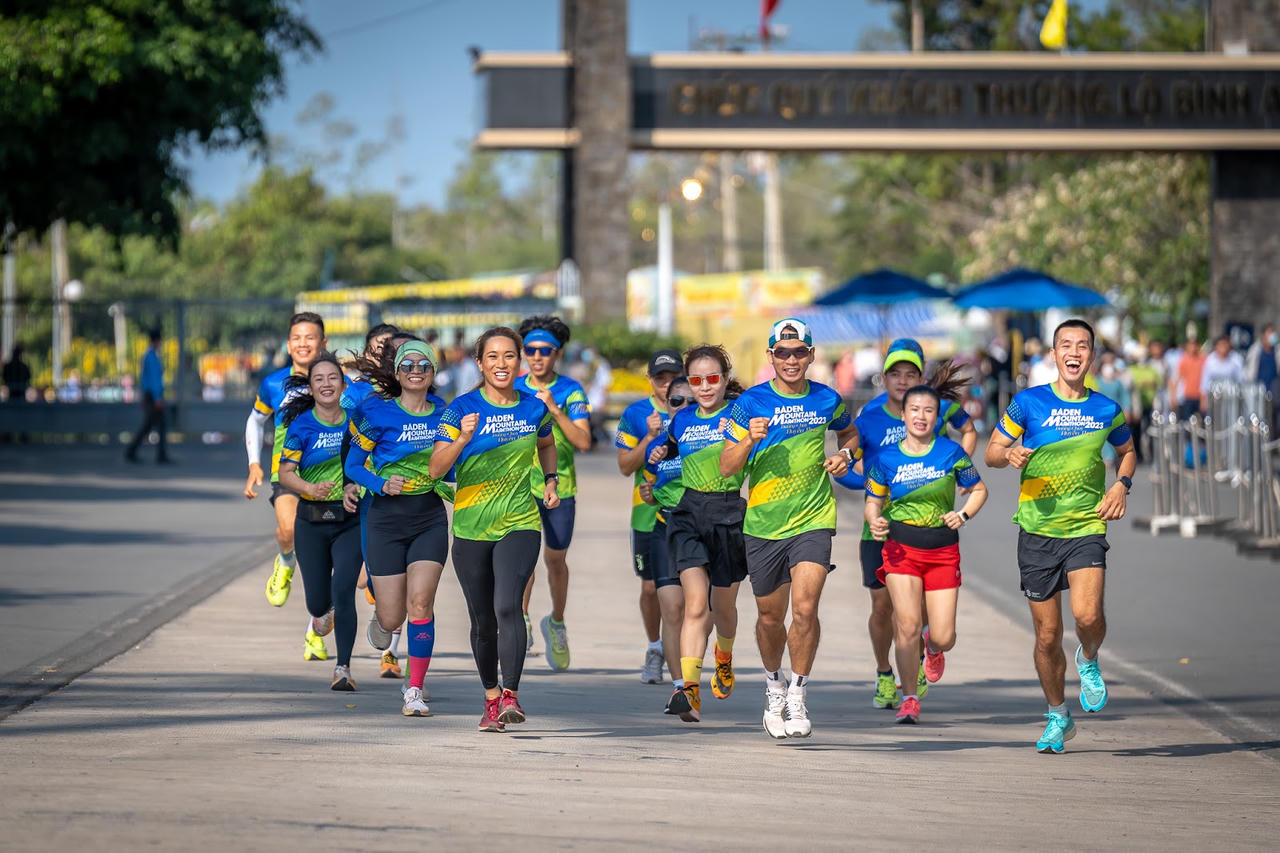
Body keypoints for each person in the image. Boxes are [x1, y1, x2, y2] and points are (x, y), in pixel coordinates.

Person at [984, 318, 1137, 754]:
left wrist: (1120, 485)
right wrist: (1008, 452)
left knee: (1087, 617)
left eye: (1083, 346)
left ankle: (1088, 659)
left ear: (1092, 355)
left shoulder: (1107, 409)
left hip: (1086, 525)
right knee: (1047, 637)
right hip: (1036, 530)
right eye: (1065, 345)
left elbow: (1127, 452)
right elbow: (993, 452)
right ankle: (1057, 715)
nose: (1074, 352)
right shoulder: (1028, 404)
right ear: (1053, 355)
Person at [720, 319, 860, 739]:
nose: (792, 359)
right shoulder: (748, 404)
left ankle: (798, 694)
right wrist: (748, 441)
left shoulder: (827, 399)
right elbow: (728, 468)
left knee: (805, 609)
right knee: (769, 618)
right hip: (763, 523)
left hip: (813, 518)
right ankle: (773, 684)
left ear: (812, 355)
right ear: (771, 358)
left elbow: (849, 433)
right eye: (783, 353)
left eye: (800, 351)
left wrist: (846, 456)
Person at [833, 338, 976, 711]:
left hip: (929, 531)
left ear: (921, 374)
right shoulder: (870, 416)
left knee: (920, 613)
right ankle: (885, 674)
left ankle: (925, 647)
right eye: (894, 373)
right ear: (883, 377)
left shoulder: (938, 408)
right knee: (883, 609)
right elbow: (850, 464)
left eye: (909, 373)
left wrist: (958, 474)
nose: (901, 379)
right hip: (879, 530)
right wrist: (871, 490)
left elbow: (969, 432)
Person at [430, 327, 558, 733]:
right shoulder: (459, 409)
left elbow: (546, 443)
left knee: (508, 606)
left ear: (518, 362)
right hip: (470, 528)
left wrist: (550, 480)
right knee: (483, 619)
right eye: (493, 357)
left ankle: (511, 696)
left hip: (519, 521)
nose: (502, 364)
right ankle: (489, 697)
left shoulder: (533, 407)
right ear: (480, 363)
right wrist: (464, 437)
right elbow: (436, 468)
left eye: (509, 357)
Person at [864, 374, 987, 724]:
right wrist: (874, 520)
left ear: (937, 417)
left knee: (944, 635)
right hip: (901, 549)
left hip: (942, 550)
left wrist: (962, 514)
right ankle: (910, 698)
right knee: (906, 624)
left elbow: (979, 490)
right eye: (914, 409)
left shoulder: (951, 453)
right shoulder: (885, 460)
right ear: (902, 415)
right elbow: (873, 503)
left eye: (929, 410)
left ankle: (933, 648)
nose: (921, 415)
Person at [343, 339, 452, 716]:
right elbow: (353, 466)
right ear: (397, 373)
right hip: (385, 519)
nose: (416, 371)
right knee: (393, 618)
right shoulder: (377, 414)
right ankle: (382, 615)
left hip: (428, 516)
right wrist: (379, 484)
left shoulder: (445, 413)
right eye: (408, 366)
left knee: (421, 603)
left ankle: (416, 689)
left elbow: (452, 463)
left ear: (433, 372)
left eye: (424, 365)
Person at [651, 345, 748, 724]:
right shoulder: (682, 420)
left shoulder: (740, 415)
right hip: (688, 513)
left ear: (724, 379)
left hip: (728, 514)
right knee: (695, 605)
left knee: (723, 609)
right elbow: (670, 447)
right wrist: (659, 453)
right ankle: (688, 690)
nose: (704, 387)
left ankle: (723, 654)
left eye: (712, 379)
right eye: (696, 380)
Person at [276, 353, 361, 691]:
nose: (326, 384)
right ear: (310, 388)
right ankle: (320, 613)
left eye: (332, 378)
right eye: (319, 379)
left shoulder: (357, 421)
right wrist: (310, 488)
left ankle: (343, 668)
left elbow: (373, 460)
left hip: (349, 520)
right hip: (310, 521)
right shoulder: (301, 426)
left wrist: (356, 484)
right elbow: (285, 473)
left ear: (342, 384)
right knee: (317, 604)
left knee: (343, 591)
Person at [244, 313, 328, 647]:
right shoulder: (274, 384)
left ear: (323, 343)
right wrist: (254, 465)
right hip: (287, 475)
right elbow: (255, 421)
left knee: (324, 560)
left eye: (311, 337)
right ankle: (285, 560)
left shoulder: (340, 384)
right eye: (297, 337)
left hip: (329, 478)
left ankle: (314, 631)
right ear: (288, 344)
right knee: (290, 531)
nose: (303, 343)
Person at [514, 316, 591, 670]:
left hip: (561, 487)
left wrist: (554, 409)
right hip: (519, 486)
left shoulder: (571, 390)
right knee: (524, 558)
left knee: (555, 560)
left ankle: (556, 622)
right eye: (530, 350)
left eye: (545, 351)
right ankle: (522, 619)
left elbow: (583, 441)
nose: (537, 357)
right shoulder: (513, 387)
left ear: (557, 353)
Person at [615, 348, 683, 685]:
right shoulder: (636, 413)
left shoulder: (696, 407)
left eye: (673, 378)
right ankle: (656, 647)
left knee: (691, 588)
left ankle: (685, 654)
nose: (667, 384)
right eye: (661, 378)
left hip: (689, 512)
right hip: (646, 513)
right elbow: (626, 466)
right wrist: (650, 437)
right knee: (650, 587)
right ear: (650, 380)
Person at [341, 323, 405, 679]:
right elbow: (339, 433)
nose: (384, 356)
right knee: (368, 579)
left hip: (405, 500)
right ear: (368, 354)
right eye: (379, 349)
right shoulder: (356, 393)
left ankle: (391, 655)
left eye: (391, 351)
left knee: (408, 581)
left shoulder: (418, 393)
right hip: (366, 493)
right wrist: (349, 480)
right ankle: (382, 602)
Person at [639, 376, 695, 714]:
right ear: (667, 403)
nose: (684, 407)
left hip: (705, 531)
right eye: (677, 401)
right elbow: (650, 485)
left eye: (690, 401)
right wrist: (649, 494)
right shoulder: (658, 446)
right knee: (672, 610)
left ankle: (718, 657)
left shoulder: (715, 435)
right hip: (664, 529)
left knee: (704, 613)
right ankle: (680, 688)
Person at [124, 329, 171, 464]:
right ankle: (160, 455)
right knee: (160, 424)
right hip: (153, 396)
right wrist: (157, 398)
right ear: (157, 340)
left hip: (150, 395)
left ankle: (131, 451)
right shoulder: (152, 357)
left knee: (149, 425)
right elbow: (154, 380)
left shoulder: (148, 356)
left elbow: (145, 379)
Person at [1199, 335, 1245, 410]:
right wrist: (1203, 401)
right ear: (1216, 347)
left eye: (1225, 344)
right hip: (1213, 400)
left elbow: (1241, 381)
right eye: (1221, 345)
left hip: (1231, 399)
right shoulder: (1210, 361)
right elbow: (1204, 383)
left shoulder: (1236, 360)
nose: (1223, 347)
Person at [1171, 337, 1205, 420]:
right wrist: (1173, 397)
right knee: (1186, 424)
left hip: (1201, 397)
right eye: (1190, 345)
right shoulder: (1183, 360)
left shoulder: (1203, 359)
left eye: (1195, 345)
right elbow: (1176, 379)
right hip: (1187, 397)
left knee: (1203, 423)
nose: (1193, 347)